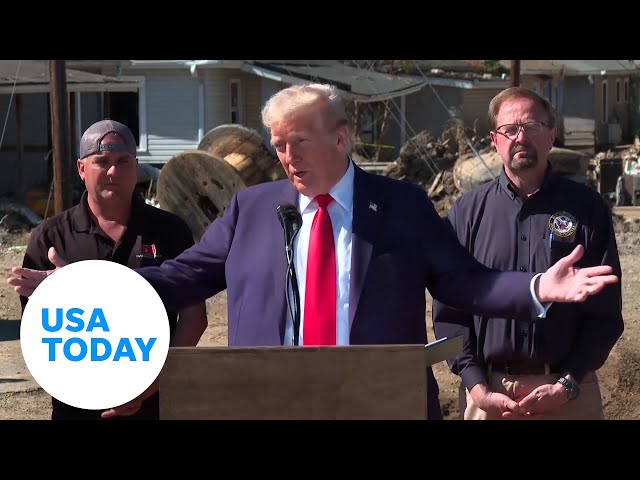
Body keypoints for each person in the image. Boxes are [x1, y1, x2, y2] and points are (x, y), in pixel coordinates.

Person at [9, 85, 618, 421]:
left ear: (341, 139)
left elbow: (467, 284)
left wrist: (538, 289)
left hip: (377, 404)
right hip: (268, 405)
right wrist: (84, 286)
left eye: (298, 141)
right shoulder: (253, 209)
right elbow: (179, 277)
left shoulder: (401, 206)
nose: (285, 157)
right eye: (277, 144)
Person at [433, 87, 624, 420]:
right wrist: (476, 386)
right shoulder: (467, 213)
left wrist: (567, 385)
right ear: (495, 140)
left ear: (551, 135)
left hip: (568, 395)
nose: (520, 137)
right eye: (509, 130)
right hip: (489, 395)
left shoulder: (587, 208)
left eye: (532, 126)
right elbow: (450, 312)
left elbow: (605, 313)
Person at [11, 119, 208, 420]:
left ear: (136, 166)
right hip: (77, 407)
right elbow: (43, 334)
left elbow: (195, 317)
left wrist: (149, 386)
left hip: (155, 405)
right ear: (81, 169)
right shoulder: (51, 238)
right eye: (101, 162)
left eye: (123, 161)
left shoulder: (170, 231)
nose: (113, 171)